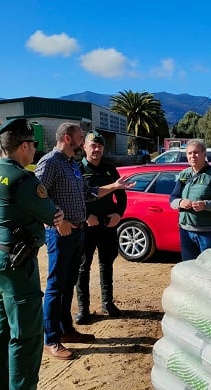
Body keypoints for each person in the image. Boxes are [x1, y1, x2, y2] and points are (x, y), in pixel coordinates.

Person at [0, 118, 64, 390]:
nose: (34, 152)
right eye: (32, 146)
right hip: (17, 265)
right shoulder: (24, 179)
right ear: (24, 146)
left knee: (2, 329)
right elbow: (52, 214)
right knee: (27, 336)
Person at [35, 122, 132, 360]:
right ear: (68, 138)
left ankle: (66, 330)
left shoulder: (71, 165)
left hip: (78, 232)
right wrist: (58, 220)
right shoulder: (50, 162)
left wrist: (114, 186)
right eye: (80, 137)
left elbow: (87, 193)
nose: (82, 141)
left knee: (68, 284)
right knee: (56, 287)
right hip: (60, 234)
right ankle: (51, 339)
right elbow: (36, 196)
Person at [75, 132, 126, 323]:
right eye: (93, 146)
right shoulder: (77, 169)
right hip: (86, 227)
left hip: (107, 225)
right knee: (83, 267)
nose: (96, 150)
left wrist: (118, 214)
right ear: (84, 147)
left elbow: (121, 196)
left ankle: (108, 303)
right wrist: (86, 216)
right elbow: (73, 198)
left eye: (100, 146)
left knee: (107, 264)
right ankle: (83, 309)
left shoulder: (110, 169)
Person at [169, 139, 211, 261]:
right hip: (185, 231)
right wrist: (180, 202)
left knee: (210, 269)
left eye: (196, 152)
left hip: (208, 234)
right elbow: (172, 199)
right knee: (189, 269)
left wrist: (205, 205)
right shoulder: (183, 175)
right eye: (189, 153)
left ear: (204, 154)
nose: (193, 156)